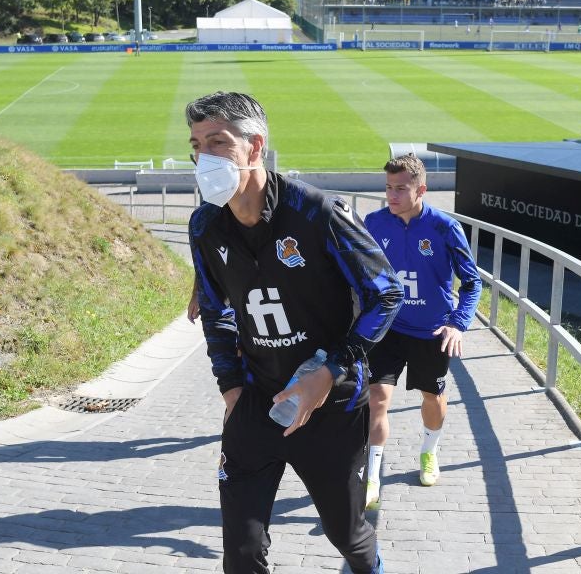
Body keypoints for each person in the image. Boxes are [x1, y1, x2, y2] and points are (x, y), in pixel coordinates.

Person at [186, 91, 402, 573]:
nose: (204, 157)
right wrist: (232, 389)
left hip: (333, 405)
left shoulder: (317, 213)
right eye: (196, 145)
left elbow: (386, 294)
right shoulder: (204, 226)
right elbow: (217, 311)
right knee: (240, 555)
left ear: (255, 148)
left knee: (345, 532)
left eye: (218, 142)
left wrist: (330, 371)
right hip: (257, 402)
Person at [362, 154, 481, 510]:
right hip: (388, 328)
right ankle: (371, 477)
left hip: (432, 332)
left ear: (421, 190)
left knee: (432, 398)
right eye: (388, 188)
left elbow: (472, 282)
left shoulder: (444, 227)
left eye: (401, 188)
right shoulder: (374, 222)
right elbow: (360, 271)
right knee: (377, 398)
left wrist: (458, 324)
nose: (392, 195)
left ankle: (429, 451)